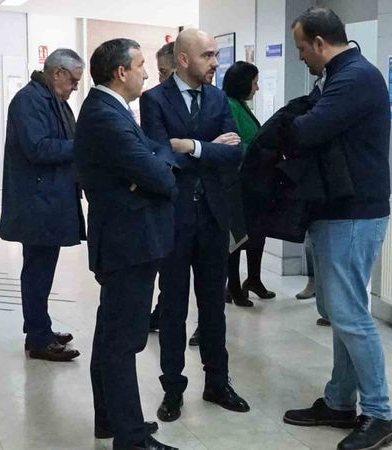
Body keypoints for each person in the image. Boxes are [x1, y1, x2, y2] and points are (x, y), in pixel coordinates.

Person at [281, 8, 392, 450]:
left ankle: (379, 414)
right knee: (340, 312)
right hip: (339, 209)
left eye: (300, 49)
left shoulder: (354, 78)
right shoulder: (339, 75)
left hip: (355, 213)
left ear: (318, 42)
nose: (301, 58)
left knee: (350, 314)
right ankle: (339, 402)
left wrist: (291, 123)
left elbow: (309, 130)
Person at [140, 28, 250, 423]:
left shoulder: (219, 98)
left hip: (213, 217)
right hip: (173, 218)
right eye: (208, 56)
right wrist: (208, 149)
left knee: (213, 308)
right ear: (183, 59)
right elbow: (158, 157)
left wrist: (190, 146)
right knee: (172, 307)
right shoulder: (154, 100)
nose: (215, 63)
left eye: (216, 55)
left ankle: (217, 382)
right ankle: (173, 387)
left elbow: (233, 152)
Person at [75, 38, 179, 450]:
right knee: (121, 341)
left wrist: (153, 166)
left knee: (111, 334)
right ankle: (131, 437)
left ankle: (111, 418)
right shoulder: (105, 115)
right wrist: (154, 171)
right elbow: (163, 176)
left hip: (126, 239)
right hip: (127, 243)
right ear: (121, 72)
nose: (147, 73)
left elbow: (154, 155)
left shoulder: (110, 111)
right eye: (140, 65)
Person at [0, 48, 85, 362]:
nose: (75, 86)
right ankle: (38, 339)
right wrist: (84, 145)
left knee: (41, 270)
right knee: (37, 271)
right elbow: (39, 148)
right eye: (73, 80)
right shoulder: (29, 100)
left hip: (49, 198)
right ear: (57, 73)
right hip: (37, 201)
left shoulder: (52, 100)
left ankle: (39, 330)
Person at [222, 61, 275, 307]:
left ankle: (252, 280)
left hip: (254, 182)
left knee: (256, 233)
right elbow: (234, 143)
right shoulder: (229, 106)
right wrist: (258, 151)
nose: (257, 88)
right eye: (254, 82)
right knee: (238, 237)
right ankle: (234, 285)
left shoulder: (240, 105)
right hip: (240, 183)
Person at [149, 40, 178, 333]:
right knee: (169, 271)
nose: (158, 79)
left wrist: (193, 146)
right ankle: (162, 313)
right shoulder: (154, 101)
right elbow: (159, 149)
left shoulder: (211, 99)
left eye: (163, 72)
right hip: (168, 199)